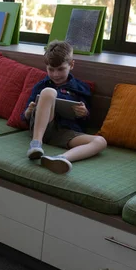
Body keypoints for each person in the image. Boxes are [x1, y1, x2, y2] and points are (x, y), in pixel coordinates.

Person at [23, 40, 107, 174]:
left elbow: (86, 120)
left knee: (101, 141)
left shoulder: (81, 88)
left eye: (61, 69)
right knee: (49, 92)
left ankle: (60, 159)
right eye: (51, 69)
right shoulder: (41, 86)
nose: (55, 74)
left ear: (71, 65)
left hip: (64, 133)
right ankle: (36, 144)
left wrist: (84, 113)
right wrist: (28, 111)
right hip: (42, 129)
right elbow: (25, 117)